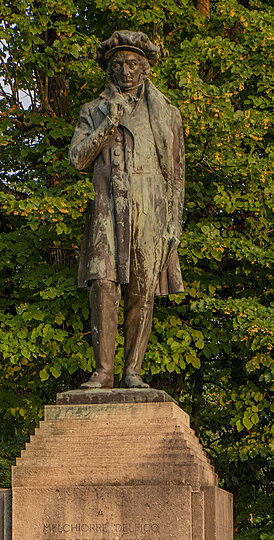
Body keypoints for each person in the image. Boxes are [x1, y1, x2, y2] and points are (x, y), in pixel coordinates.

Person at [69, 30, 184, 389]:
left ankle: (132, 371)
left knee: (142, 289)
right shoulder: (94, 110)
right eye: (118, 63)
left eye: (133, 63)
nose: (126, 70)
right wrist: (108, 124)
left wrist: (174, 223)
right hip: (107, 208)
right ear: (110, 69)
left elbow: (176, 174)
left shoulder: (167, 114)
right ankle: (103, 372)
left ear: (145, 68)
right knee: (103, 285)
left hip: (151, 209)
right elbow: (77, 159)